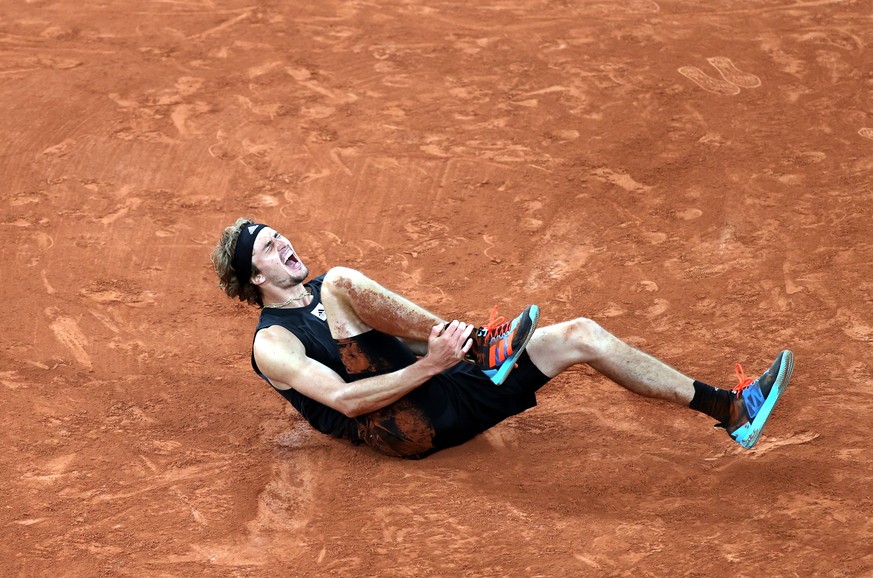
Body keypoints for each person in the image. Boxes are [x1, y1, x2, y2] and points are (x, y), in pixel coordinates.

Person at [211, 218, 794, 459]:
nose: (283, 243)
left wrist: (440, 358)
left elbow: (404, 347)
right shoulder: (273, 342)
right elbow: (343, 400)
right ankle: (478, 346)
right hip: (401, 426)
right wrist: (433, 362)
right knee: (340, 279)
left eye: (279, 233)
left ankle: (731, 408)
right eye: (268, 247)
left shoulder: (328, 297)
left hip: (444, 388)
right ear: (255, 277)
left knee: (580, 334)